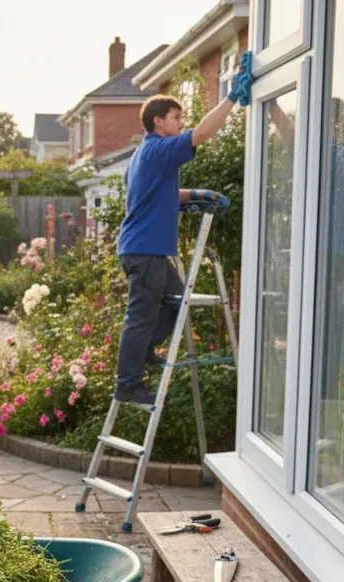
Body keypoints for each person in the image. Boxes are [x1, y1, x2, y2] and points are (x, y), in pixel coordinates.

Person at [113, 81, 248, 406]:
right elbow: (201, 133)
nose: (181, 123)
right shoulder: (159, 150)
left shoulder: (142, 156)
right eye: (176, 118)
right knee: (140, 317)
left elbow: (160, 194)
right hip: (146, 250)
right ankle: (127, 385)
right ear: (158, 121)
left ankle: (145, 349)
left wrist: (197, 195)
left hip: (146, 250)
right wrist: (231, 98)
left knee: (177, 304)